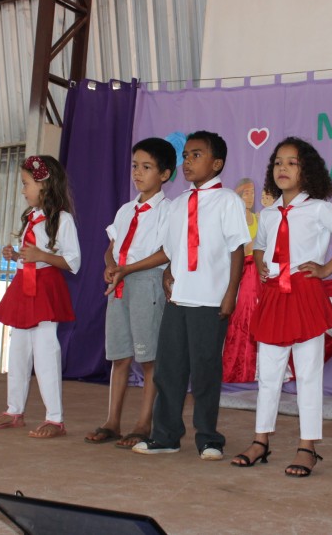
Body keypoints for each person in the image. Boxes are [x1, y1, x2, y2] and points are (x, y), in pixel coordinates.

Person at [230, 137, 332, 477]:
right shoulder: (268, 214)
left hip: (304, 295)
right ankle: (260, 441)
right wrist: (261, 264)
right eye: (278, 162)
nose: (283, 168)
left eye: (292, 163)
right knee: (269, 374)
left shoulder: (319, 209)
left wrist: (326, 269)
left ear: (307, 170)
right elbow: (260, 246)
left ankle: (307, 446)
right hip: (274, 296)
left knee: (309, 374)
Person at [132, 130, 250, 460]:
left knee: (205, 372)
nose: (187, 162)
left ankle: (209, 438)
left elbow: (237, 250)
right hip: (179, 298)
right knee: (169, 370)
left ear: (217, 163)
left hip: (210, 300)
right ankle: (166, 435)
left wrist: (231, 294)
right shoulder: (179, 203)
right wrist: (169, 272)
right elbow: (174, 248)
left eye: (196, 155)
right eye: (185, 156)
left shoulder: (228, 201)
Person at [84, 138, 175, 448]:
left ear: (165, 174)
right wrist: (111, 266)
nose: (138, 172)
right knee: (119, 355)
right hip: (120, 284)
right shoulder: (126, 210)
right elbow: (112, 247)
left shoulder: (168, 211)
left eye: (147, 167)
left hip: (147, 282)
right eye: (135, 166)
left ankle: (143, 423)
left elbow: (166, 252)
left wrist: (129, 268)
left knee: (149, 358)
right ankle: (112, 421)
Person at [0, 155, 80, 439]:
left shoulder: (62, 219)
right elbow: (30, 256)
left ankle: (55, 418)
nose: (23, 190)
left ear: (45, 185)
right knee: (17, 352)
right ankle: (14, 409)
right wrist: (16, 255)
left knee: (46, 353)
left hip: (45, 288)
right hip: (23, 287)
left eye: (26, 183)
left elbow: (73, 261)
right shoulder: (30, 217)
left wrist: (42, 256)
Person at [222, 177, 262, 383]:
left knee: (257, 317)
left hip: (258, 275)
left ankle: (254, 369)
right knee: (240, 318)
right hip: (241, 273)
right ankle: (236, 367)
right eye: (246, 193)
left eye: (252, 192)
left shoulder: (258, 218)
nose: (250, 197)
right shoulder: (234, 221)